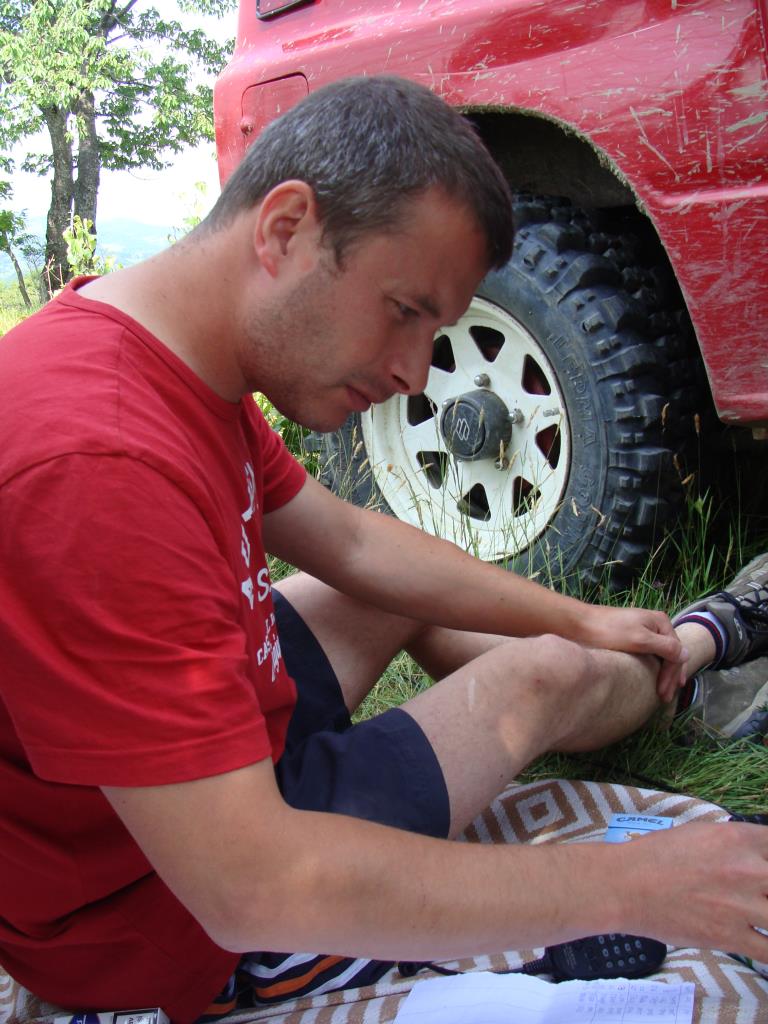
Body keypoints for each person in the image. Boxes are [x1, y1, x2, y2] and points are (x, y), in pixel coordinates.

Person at [0, 75, 766, 1024]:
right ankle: (696, 649)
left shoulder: (152, 352)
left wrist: (581, 615)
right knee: (537, 680)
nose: (412, 374)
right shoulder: (97, 463)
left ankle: (635, 656)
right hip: (162, 914)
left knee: (437, 601)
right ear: (286, 229)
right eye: (406, 310)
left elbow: (354, 542)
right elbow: (249, 886)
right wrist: (639, 886)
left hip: (177, 779)